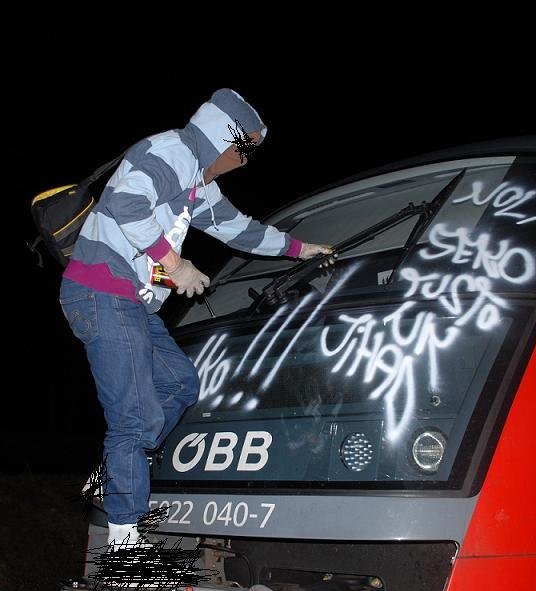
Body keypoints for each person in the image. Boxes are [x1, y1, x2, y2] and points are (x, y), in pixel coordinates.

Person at [58, 89, 332, 548]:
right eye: (244, 148)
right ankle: (123, 546)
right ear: (220, 135)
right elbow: (126, 204)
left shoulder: (198, 187)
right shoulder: (170, 152)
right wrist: (176, 264)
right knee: (135, 417)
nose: (246, 161)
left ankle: (114, 474)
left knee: (179, 384)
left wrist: (301, 249)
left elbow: (239, 229)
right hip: (101, 291)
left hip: (132, 303)